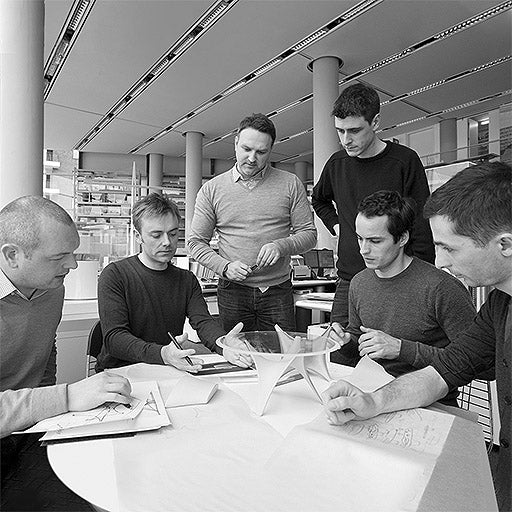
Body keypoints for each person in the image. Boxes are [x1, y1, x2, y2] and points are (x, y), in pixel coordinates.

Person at [322, 162, 511, 511]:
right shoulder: (499, 304)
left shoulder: (442, 288)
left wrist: (402, 349)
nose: (440, 261)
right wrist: (372, 402)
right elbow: (447, 369)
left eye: (450, 248)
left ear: (505, 244)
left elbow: (470, 370)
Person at [0, 196, 132, 511]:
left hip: (30, 429)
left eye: (73, 253)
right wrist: (67, 397)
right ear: (12, 255)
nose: (72, 265)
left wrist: (52, 412)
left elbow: (45, 350)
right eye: (59, 256)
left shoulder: (52, 289)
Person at [311, 83, 435, 331]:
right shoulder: (336, 164)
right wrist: (337, 226)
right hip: (349, 278)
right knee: (337, 348)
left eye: (355, 130)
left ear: (375, 122)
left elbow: (421, 225)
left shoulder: (404, 161)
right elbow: (319, 199)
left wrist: (421, 280)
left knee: (392, 349)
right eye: (340, 131)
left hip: (396, 279)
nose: (346, 140)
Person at [334, 190, 475, 405]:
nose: (363, 250)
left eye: (375, 241)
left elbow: (476, 361)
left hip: (430, 404)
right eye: (360, 239)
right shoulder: (359, 282)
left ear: (402, 238)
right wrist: (345, 342)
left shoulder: (442, 288)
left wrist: (401, 349)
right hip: (372, 395)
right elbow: (357, 340)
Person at [188, 113, 317, 332]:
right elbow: (196, 243)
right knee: (235, 349)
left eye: (261, 152)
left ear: (271, 150)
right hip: (232, 290)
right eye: (246, 149)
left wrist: (281, 246)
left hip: (278, 290)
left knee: (282, 350)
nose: (251, 158)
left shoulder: (290, 184)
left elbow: (309, 235)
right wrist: (225, 267)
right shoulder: (211, 190)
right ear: (235, 143)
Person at [96, 193, 227, 373]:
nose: (167, 242)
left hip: (167, 367)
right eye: (156, 235)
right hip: (121, 372)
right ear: (138, 236)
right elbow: (115, 339)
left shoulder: (186, 280)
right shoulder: (115, 275)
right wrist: (162, 354)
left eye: (173, 234)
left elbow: (203, 322)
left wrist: (224, 344)